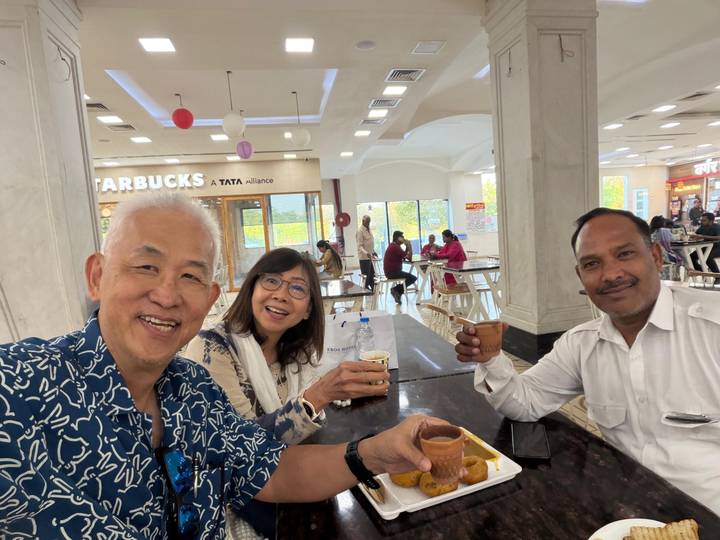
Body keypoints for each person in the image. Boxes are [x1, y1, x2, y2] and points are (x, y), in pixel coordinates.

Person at [0, 192, 445, 538]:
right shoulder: (18, 388)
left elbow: (268, 470)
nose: (168, 294)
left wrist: (375, 452)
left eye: (191, 276)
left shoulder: (193, 389)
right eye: (146, 266)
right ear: (97, 277)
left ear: (210, 297)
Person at [454, 207, 720, 515]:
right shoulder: (582, 344)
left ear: (656, 256)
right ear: (581, 277)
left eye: (625, 254)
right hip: (619, 510)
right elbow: (524, 403)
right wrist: (490, 358)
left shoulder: (710, 329)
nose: (611, 274)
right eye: (592, 264)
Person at [184, 247, 388, 538]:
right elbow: (238, 451)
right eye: (271, 281)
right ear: (252, 287)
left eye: (297, 288)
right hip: (229, 492)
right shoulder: (212, 349)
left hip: (288, 479)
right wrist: (315, 398)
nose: (281, 294)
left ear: (308, 310)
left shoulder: (295, 354)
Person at [383, 230, 416, 304]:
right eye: (402, 237)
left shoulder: (394, 246)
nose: (403, 238)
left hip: (392, 272)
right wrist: (409, 246)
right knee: (412, 278)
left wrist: (407, 247)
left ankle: (397, 292)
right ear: (398, 238)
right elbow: (407, 257)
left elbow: (407, 256)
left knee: (410, 277)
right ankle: (396, 290)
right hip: (392, 273)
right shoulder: (395, 247)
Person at [356, 215, 377, 291]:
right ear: (363, 221)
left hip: (370, 255)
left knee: (372, 273)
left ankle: (373, 288)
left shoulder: (369, 229)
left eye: (369, 221)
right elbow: (360, 246)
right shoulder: (360, 231)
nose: (368, 223)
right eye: (367, 221)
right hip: (364, 257)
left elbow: (370, 242)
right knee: (366, 274)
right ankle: (366, 289)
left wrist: (373, 251)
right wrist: (366, 253)